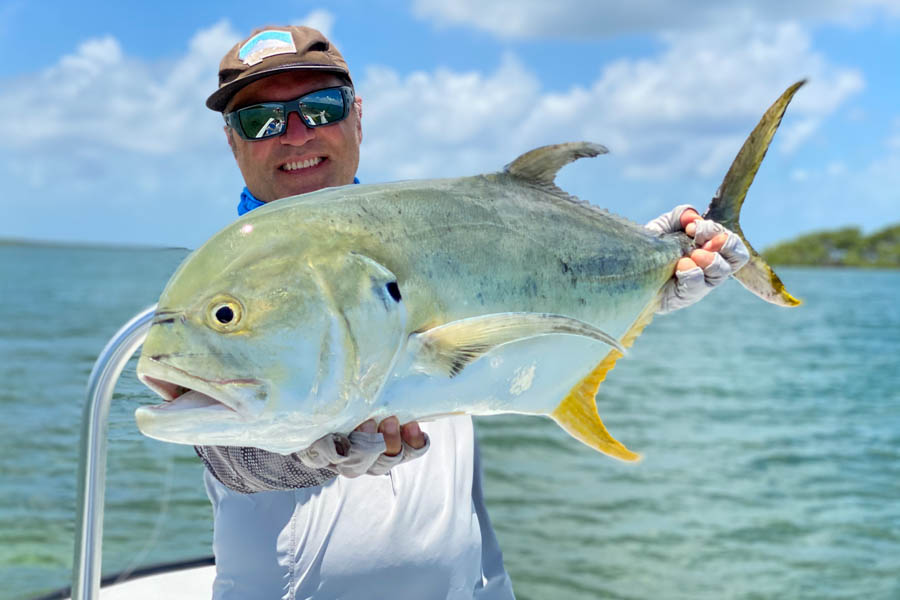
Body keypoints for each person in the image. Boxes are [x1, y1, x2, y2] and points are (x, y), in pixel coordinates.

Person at [196, 25, 748, 600]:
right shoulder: (217, 293)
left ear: (357, 116)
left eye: (319, 108)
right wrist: (314, 452)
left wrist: (645, 275)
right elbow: (226, 453)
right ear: (233, 143)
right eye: (259, 119)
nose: (294, 135)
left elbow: (538, 323)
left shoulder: (435, 241)